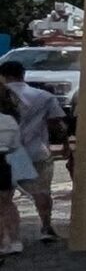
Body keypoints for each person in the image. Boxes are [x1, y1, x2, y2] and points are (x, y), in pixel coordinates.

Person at [0, 61, 59, 244]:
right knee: (41, 191)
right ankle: (46, 227)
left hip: (5, 152)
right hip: (36, 150)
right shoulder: (45, 96)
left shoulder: (2, 95)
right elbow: (57, 123)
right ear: (23, 74)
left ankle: (9, 237)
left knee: (5, 197)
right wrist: (65, 144)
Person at [0, 82, 25, 258]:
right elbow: (16, 145)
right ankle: (14, 240)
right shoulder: (9, 120)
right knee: (7, 203)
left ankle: (3, 240)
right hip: (4, 163)